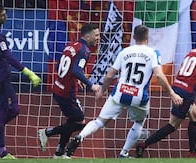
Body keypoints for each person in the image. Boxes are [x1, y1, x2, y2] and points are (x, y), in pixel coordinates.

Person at [64, 25, 183, 158]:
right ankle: (124, 153)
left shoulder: (124, 52)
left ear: (133, 37)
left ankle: (80, 137)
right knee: (138, 123)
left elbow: (110, 75)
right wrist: (172, 93)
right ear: (147, 38)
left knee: (100, 121)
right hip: (139, 96)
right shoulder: (153, 53)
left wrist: (102, 90)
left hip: (120, 93)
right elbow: (160, 76)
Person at [136, 29, 196, 158]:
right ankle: (143, 145)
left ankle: (193, 153)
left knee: (195, 116)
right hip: (186, 92)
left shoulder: (193, 52)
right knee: (172, 125)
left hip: (178, 86)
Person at [0, 3, 41, 159]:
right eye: (3, 15)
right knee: (3, 112)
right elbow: (8, 57)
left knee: (13, 109)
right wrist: (28, 72)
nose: (6, 16)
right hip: (2, 77)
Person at [37, 23, 101, 159]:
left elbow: (59, 65)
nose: (98, 38)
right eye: (96, 35)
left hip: (58, 87)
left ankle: (59, 153)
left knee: (72, 120)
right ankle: (47, 132)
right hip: (66, 92)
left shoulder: (71, 45)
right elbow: (76, 70)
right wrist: (91, 85)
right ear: (87, 36)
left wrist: (74, 78)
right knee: (80, 122)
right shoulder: (85, 50)